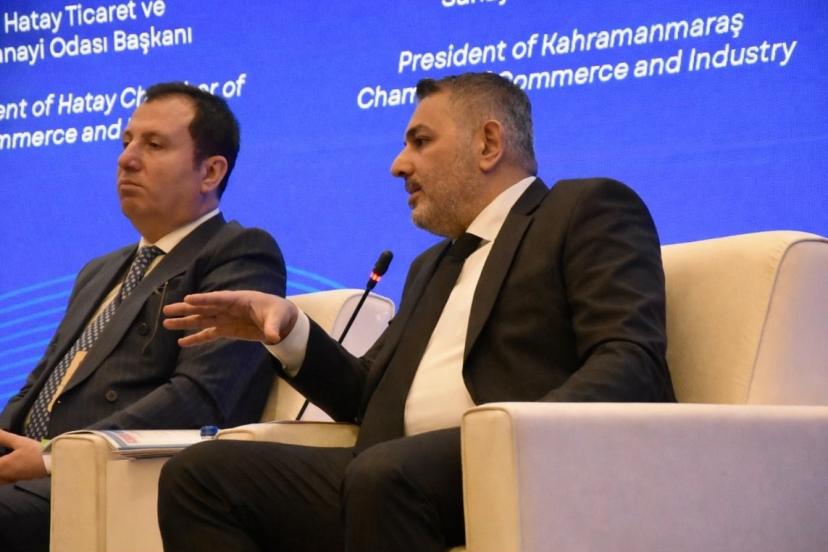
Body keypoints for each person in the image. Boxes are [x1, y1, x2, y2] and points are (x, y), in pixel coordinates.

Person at [158, 72, 675, 552]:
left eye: (420, 142)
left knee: (384, 474)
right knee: (201, 475)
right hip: (392, 471)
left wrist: (512, 434)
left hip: (525, 464)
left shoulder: (583, 209)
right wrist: (290, 330)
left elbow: (629, 362)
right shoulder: (432, 264)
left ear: (488, 144)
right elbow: (365, 395)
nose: (398, 165)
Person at [0, 82, 287, 552]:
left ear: (211, 172)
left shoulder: (238, 252)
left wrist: (57, 456)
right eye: (126, 142)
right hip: (32, 474)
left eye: (154, 145)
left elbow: (200, 397)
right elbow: (39, 386)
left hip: (115, 482)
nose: (127, 159)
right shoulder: (99, 271)